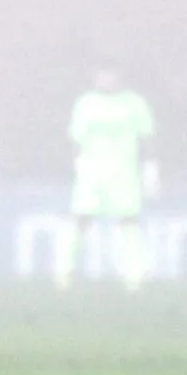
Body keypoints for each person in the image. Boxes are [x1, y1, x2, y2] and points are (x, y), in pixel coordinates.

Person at [55, 68, 159, 292]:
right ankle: (64, 272)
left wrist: (151, 168)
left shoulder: (134, 103)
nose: (106, 80)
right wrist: (78, 164)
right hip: (92, 173)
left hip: (124, 173)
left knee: (128, 220)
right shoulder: (86, 103)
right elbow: (76, 138)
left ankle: (135, 276)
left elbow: (147, 136)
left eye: (111, 75)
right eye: (102, 75)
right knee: (81, 218)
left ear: (119, 77)